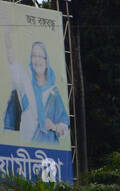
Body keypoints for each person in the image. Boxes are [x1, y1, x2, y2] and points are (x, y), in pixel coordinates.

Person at [1, 7, 69, 145]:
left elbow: (64, 127)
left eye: (40, 56)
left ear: (46, 61)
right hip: (26, 148)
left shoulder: (54, 92)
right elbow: (11, 59)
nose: (37, 60)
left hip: (51, 155)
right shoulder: (25, 82)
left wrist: (54, 127)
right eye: (34, 56)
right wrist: (6, 35)